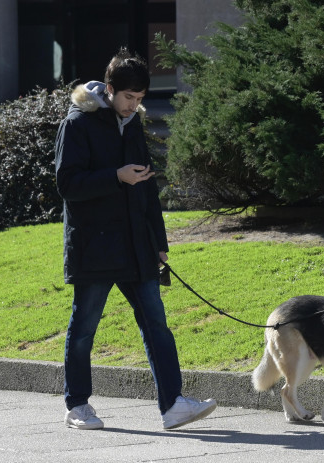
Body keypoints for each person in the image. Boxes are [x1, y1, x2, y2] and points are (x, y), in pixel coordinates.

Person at [55, 48, 217, 430]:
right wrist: (115, 176)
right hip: (94, 246)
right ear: (109, 89)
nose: (134, 105)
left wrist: (158, 242)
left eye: (141, 99)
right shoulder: (77, 124)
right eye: (129, 97)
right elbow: (67, 184)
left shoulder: (132, 124)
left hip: (136, 244)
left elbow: (147, 189)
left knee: (156, 322)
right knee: (84, 328)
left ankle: (173, 405)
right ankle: (77, 405)